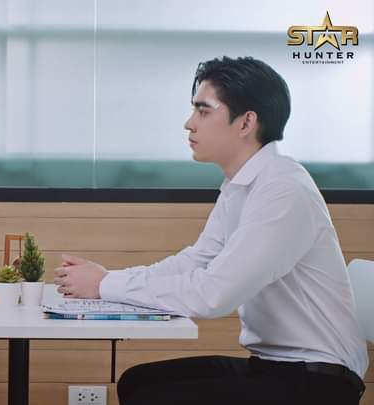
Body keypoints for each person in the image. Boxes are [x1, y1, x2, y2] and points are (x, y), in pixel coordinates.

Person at [53, 56, 368, 404]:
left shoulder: (283, 189)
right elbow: (196, 261)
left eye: (203, 111)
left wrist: (104, 285)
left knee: (154, 397)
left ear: (246, 122)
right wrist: (108, 280)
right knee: (138, 382)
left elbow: (213, 294)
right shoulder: (240, 185)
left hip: (320, 381)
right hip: (276, 366)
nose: (189, 123)